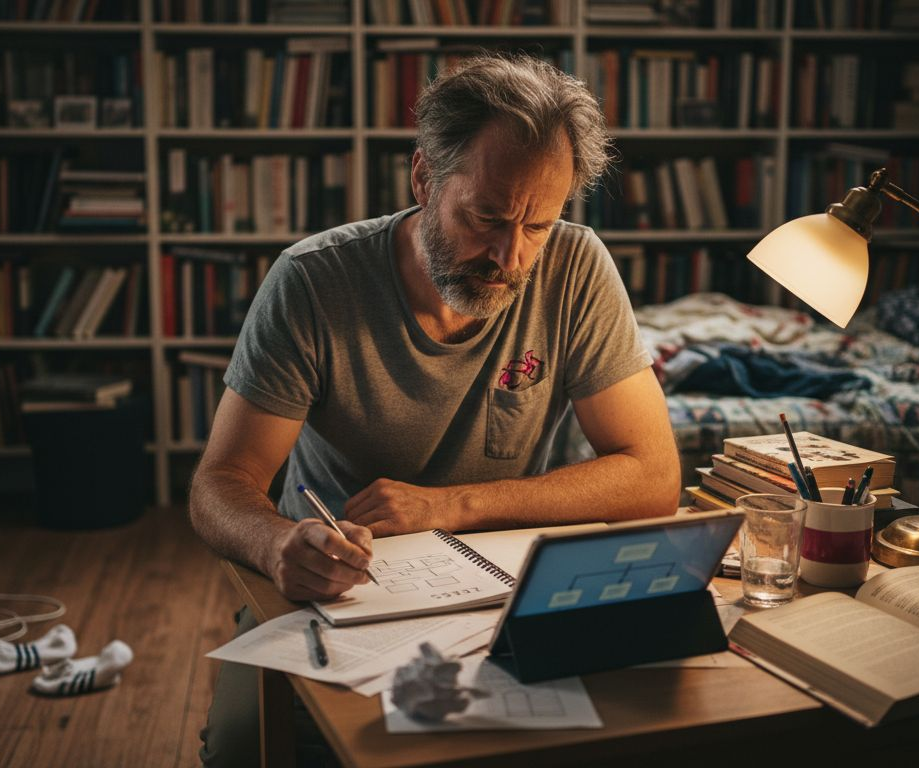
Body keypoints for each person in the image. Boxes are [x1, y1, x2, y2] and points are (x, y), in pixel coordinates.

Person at [192, 54, 681, 766]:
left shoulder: (576, 266)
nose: (511, 256)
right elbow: (219, 483)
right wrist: (276, 546)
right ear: (424, 177)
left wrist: (447, 507)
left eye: (539, 224)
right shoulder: (313, 281)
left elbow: (654, 476)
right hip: (337, 591)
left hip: (507, 589)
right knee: (242, 751)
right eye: (486, 217)